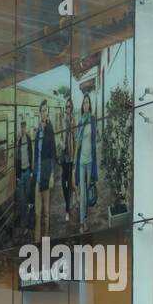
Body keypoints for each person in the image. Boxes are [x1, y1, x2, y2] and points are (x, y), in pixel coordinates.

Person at [33, 99, 56, 241]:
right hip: (37, 177)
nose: (44, 112)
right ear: (40, 113)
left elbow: (53, 153)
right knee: (37, 214)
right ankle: (36, 243)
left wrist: (52, 174)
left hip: (46, 176)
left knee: (46, 213)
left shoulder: (50, 130)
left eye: (46, 110)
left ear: (48, 113)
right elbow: (36, 155)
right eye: (42, 110)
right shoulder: (37, 133)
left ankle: (46, 241)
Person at [75, 92, 98, 228]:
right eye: (84, 102)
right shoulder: (80, 121)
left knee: (89, 191)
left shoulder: (93, 120)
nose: (86, 104)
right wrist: (74, 164)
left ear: (90, 105)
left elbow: (95, 139)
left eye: (87, 102)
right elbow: (78, 142)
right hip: (82, 162)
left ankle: (85, 216)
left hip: (90, 162)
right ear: (82, 105)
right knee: (82, 193)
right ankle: (82, 222)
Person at [15, 117, 34, 235]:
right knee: (22, 200)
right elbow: (17, 159)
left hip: (27, 172)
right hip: (21, 174)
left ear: (26, 128)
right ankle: (23, 223)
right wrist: (17, 175)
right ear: (20, 128)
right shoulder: (18, 142)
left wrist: (31, 171)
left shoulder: (28, 139)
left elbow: (30, 154)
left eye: (24, 127)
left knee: (27, 198)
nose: (23, 129)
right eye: (21, 127)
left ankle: (27, 225)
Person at [59, 97, 76, 215]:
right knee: (63, 182)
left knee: (70, 182)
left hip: (70, 156)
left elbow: (75, 139)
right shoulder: (62, 120)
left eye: (69, 107)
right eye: (66, 107)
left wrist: (74, 157)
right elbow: (59, 137)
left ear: (72, 108)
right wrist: (61, 144)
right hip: (63, 156)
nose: (67, 109)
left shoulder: (73, 121)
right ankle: (67, 203)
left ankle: (67, 209)